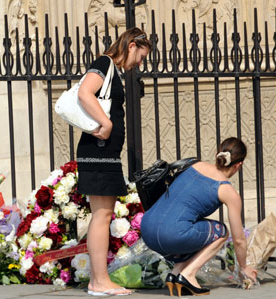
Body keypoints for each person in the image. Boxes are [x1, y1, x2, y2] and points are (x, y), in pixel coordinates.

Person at [76, 28, 151, 296]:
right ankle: (98, 282)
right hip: (97, 152)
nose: (139, 64)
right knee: (102, 215)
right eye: (141, 57)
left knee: (103, 214)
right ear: (132, 45)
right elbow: (85, 92)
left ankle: (99, 280)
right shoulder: (104, 63)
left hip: (103, 153)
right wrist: (106, 123)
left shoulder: (112, 69)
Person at [140, 137, 258, 296]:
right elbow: (238, 239)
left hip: (147, 229)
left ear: (218, 153)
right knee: (221, 232)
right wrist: (244, 268)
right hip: (171, 234)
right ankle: (188, 275)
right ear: (239, 165)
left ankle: (175, 273)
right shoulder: (227, 191)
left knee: (193, 225)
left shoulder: (194, 164)